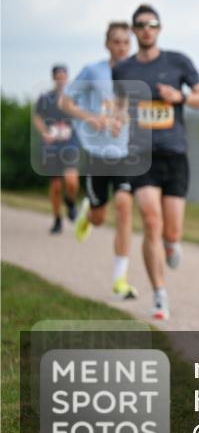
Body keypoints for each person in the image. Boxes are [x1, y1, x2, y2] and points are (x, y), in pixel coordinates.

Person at [113, 4, 199, 320]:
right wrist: (114, 120)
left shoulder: (177, 62)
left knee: (171, 230)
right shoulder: (123, 70)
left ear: (159, 29)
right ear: (133, 30)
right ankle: (159, 295)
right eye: (140, 25)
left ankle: (172, 244)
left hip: (174, 154)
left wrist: (179, 97)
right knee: (150, 221)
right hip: (141, 156)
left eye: (152, 24)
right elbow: (117, 107)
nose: (146, 29)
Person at [59, 21, 137, 300]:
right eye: (116, 41)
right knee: (100, 217)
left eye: (126, 42)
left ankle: (120, 281)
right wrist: (91, 118)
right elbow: (66, 103)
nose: (122, 47)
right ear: (107, 44)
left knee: (125, 208)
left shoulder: (137, 72)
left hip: (127, 154)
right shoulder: (94, 71)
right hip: (98, 155)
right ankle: (87, 213)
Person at [33, 64, 80, 234]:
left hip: (70, 144)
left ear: (67, 77)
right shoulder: (45, 98)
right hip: (52, 146)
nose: (61, 79)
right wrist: (45, 132)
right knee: (55, 186)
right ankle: (57, 220)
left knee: (72, 181)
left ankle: (70, 202)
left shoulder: (73, 97)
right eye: (58, 76)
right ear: (54, 78)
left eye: (64, 75)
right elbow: (37, 117)